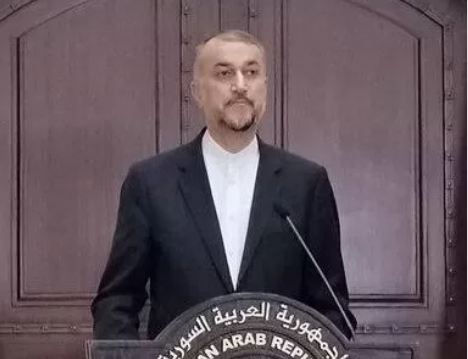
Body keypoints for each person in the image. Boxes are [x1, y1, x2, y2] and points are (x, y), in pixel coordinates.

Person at [91, 30, 357, 340]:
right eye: (224, 73)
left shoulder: (306, 183)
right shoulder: (151, 182)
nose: (241, 85)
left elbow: (331, 309)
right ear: (197, 92)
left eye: (251, 72)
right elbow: (117, 302)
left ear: (265, 86)